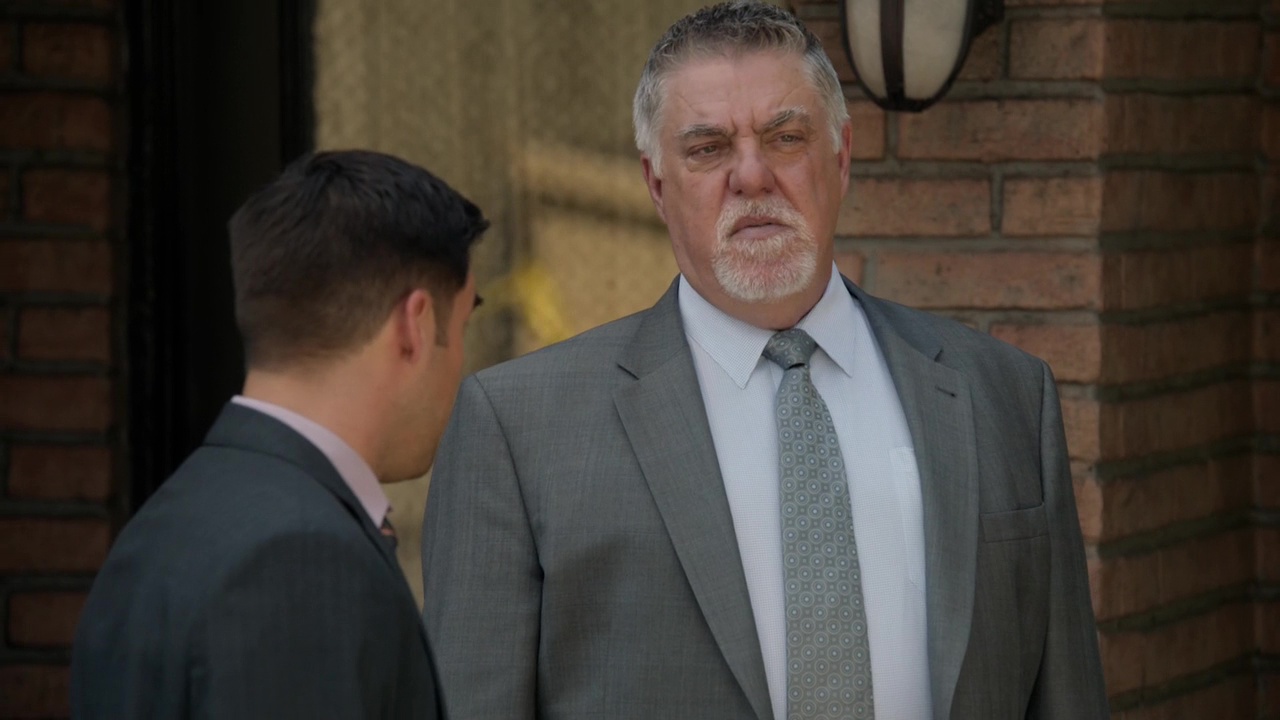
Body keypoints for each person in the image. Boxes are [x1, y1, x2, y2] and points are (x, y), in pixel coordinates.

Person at [421, 2, 1108, 719]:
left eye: (785, 138)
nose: (751, 176)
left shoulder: (1004, 392)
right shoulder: (520, 429)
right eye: (707, 148)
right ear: (657, 185)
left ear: (840, 157)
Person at [71, 150, 487, 719]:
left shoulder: (168, 519)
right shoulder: (301, 559)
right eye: (462, 326)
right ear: (414, 326)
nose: (462, 362)